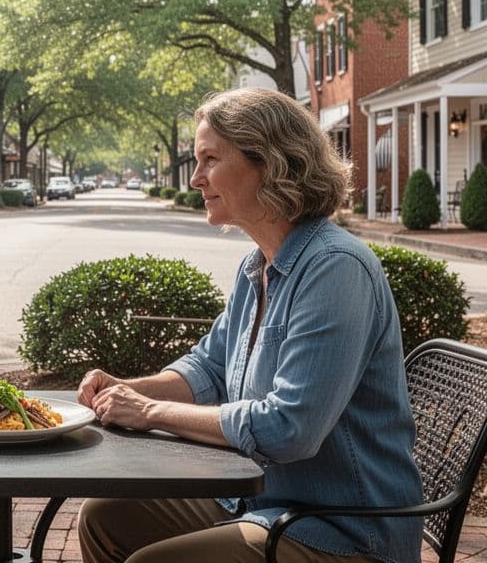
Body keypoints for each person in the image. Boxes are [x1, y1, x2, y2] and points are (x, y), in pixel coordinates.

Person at [77, 88, 422, 563]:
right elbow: (210, 368)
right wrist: (126, 390)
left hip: (343, 530)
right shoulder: (257, 265)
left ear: (270, 163)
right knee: (105, 516)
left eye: (210, 159)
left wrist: (150, 412)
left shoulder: (335, 268)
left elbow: (289, 428)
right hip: (262, 501)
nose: (195, 178)